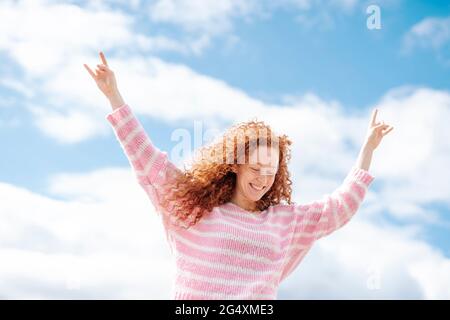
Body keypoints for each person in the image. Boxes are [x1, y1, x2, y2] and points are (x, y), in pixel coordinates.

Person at [84, 51, 394, 300]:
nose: (263, 179)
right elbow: (146, 157)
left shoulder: (284, 222)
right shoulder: (195, 207)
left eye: (271, 173)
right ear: (235, 165)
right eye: (257, 169)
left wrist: (367, 150)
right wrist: (114, 96)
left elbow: (338, 208)